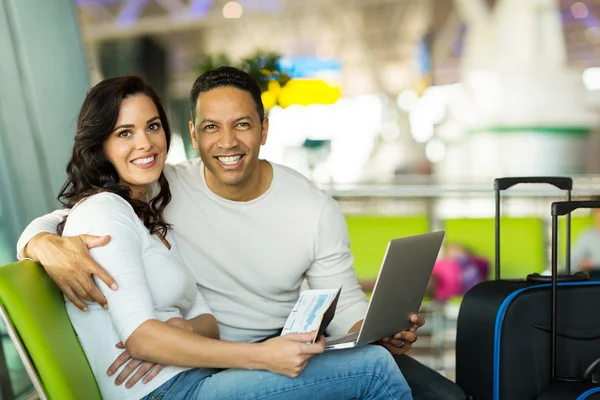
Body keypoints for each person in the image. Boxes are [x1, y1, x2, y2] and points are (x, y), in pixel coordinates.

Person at [17, 67, 465, 399]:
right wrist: (36, 243)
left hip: (261, 346)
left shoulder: (311, 207)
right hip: (216, 367)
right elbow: (79, 215)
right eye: (211, 127)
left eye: (242, 125)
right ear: (194, 133)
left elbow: (343, 298)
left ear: (264, 129)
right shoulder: (161, 188)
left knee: (434, 389)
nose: (227, 142)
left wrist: (377, 328)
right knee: (375, 374)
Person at [572, 195, 600, 273]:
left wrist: (594, 263)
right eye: (598, 210)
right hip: (592, 278)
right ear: (594, 212)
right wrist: (581, 263)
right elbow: (571, 262)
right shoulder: (586, 236)